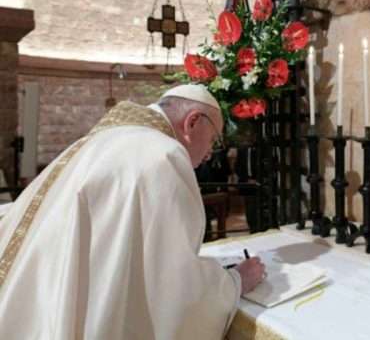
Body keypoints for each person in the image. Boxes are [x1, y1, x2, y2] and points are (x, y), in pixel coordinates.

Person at [0, 84, 266, 339]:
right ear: (193, 122)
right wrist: (235, 281)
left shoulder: (103, 140)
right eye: (212, 141)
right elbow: (173, 285)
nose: (209, 153)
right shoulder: (164, 155)